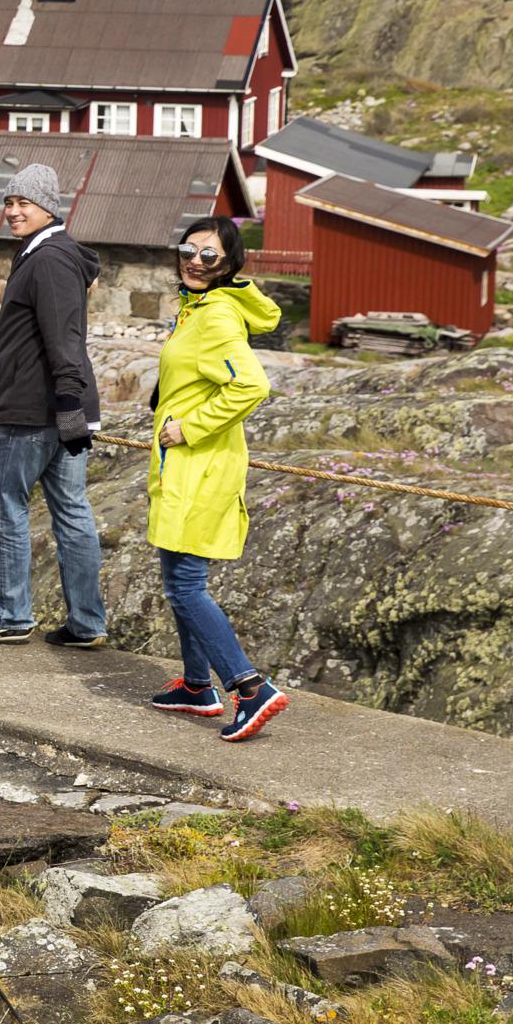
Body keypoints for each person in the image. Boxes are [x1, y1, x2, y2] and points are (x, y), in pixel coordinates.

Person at [145, 216, 288, 742]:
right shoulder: (197, 307)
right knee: (179, 580)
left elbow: (251, 385)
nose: (196, 261)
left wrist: (189, 429)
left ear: (229, 265)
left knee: (185, 587)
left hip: (198, 465)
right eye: (190, 249)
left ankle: (249, 688)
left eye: (210, 256)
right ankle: (197, 687)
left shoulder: (216, 316)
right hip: (185, 466)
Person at [0, 162, 109, 647]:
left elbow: (62, 336)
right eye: (9, 202)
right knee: (71, 511)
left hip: (39, 411)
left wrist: (65, 400)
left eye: (24, 203)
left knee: (7, 507)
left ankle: (8, 616)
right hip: (56, 405)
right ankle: (87, 624)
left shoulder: (47, 260)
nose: (13, 211)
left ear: (48, 208)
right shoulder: (53, 254)